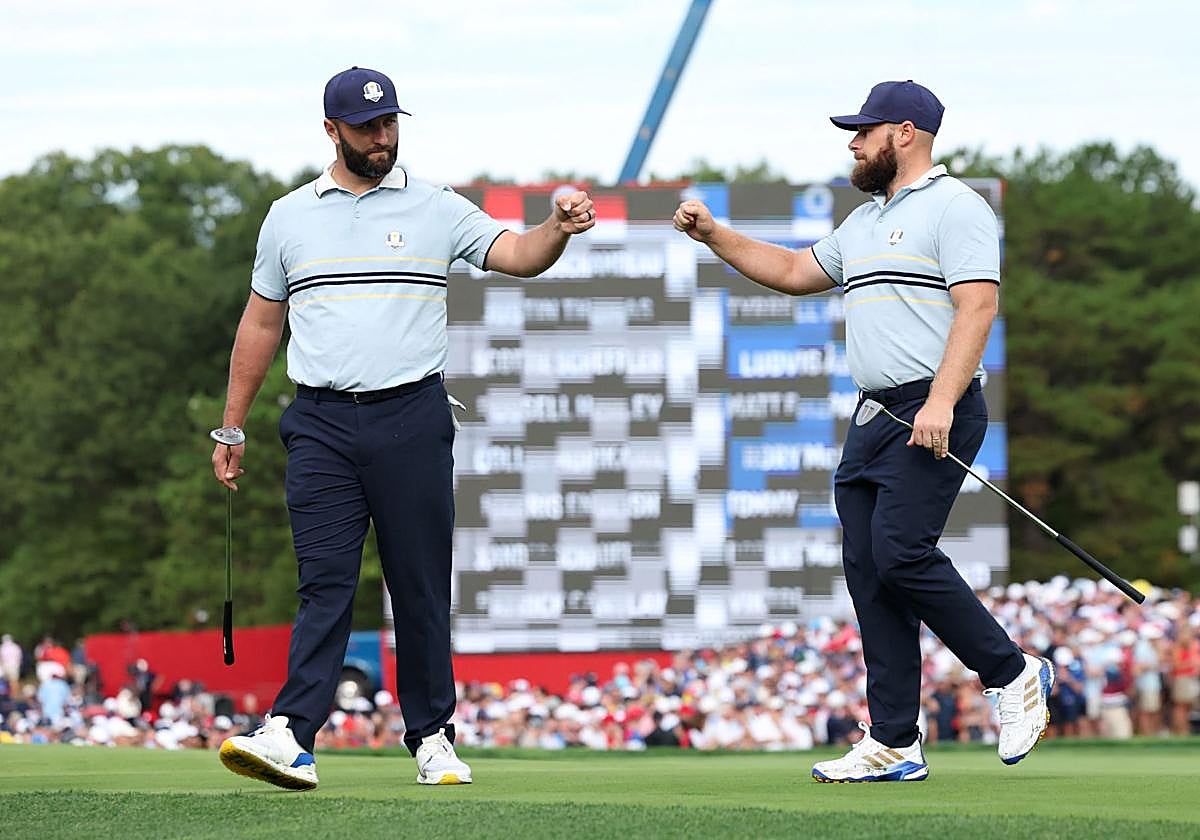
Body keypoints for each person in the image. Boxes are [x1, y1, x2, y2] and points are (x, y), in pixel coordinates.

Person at [212, 66, 595, 791]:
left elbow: (517, 256)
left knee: (418, 586)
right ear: (332, 131)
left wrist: (557, 228)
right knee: (322, 583)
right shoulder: (288, 216)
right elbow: (263, 322)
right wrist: (231, 428)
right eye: (366, 128)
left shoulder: (435, 207)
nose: (382, 138)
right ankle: (292, 733)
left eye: (390, 124)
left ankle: (432, 736)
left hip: (412, 416)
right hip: (320, 421)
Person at [673, 80, 1052, 783]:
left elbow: (977, 308)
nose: (852, 142)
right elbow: (792, 271)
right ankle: (895, 741)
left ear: (904, 134)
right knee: (871, 572)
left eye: (863, 130)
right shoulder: (865, 221)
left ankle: (1012, 672)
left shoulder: (955, 208)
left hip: (934, 407)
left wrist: (940, 402)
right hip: (875, 416)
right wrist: (714, 235)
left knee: (903, 553)